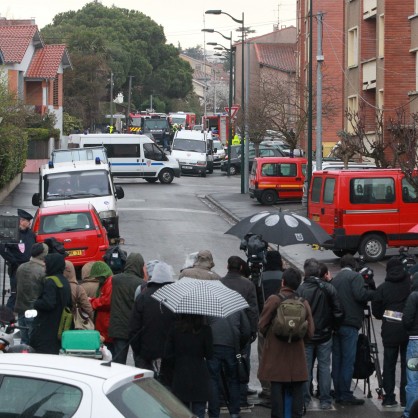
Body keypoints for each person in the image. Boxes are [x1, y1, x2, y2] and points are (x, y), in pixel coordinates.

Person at [258, 267, 315, 418]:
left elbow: (262, 326)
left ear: (283, 281)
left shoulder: (274, 300)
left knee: (276, 395)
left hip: (276, 358)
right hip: (296, 358)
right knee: (297, 394)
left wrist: (273, 336)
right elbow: (310, 332)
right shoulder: (303, 303)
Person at [297, 258, 344, 411]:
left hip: (306, 335)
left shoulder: (301, 289)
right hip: (325, 334)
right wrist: (333, 327)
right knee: (324, 367)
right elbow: (338, 311)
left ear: (306, 272)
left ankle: (305, 399)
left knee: (306, 367)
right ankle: (325, 399)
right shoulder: (328, 288)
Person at [331, 254, 375, 405]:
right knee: (348, 360)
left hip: (336, 325)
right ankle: (345, 394)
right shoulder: (355, 277)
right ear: (353, 264)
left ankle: (337, 392)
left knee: (337, 360)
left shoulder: (335, 279)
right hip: (350, 324)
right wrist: (372, 292)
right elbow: (360, 295)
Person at [129, 261, 177, 385]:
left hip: (146, 352)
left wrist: (138, 351)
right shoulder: (176, 298)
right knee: (166, 387)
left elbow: (134, 328)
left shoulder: (143, 297)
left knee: (147, 388)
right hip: (169, 353)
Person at [371, 256, 410, 408]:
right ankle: (405, 398)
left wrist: (387, 315)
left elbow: (376, 311)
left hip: (389, 330)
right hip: (407, 330)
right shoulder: (409, 284)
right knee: (407, 365)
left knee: (389, 364)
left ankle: (389, 397)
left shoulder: (383, 288)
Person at [221, 255, 259, 408]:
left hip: (224, 331)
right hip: (242, 332)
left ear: (227, 267)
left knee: (224, 365)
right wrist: (253, 330)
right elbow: (253, 309)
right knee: (242, 363)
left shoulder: (220, 283)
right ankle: (242, 397)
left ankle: (224, 397)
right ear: (241, 268)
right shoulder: (248, 284)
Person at [165, 314, 213, 418]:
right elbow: (210, 354)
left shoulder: (175, 329)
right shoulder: (205, 330)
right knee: (199, 412)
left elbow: (168, 355)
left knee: (182, 413)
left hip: (180, 376)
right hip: (200, 377)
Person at [206, 308, 251, 418]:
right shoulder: (236, 306)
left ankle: (214, 413)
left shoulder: (209, 307)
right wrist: (239, 345)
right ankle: (234, 412)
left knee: (213, 379)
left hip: (213, 345)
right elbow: (246, 331)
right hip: (231, 345)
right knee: (233, 380)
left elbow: (204, 328)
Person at [30, 253, 72, 354]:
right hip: (60, 325)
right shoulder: (64, 281)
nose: (44, 265)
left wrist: (36, 303)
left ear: (52, 265)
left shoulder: (50, 281)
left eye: (46, 263)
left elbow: (48, 303)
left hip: (47, 328)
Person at [108, 252, 146, 364]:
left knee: (119, 362)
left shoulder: (116, 279)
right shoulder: (141, 283)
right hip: (135, 327)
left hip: (118, 326)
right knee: (139, 360)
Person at [258, 250, 284, 401]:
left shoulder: (262, 277)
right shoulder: (284, 277)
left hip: (265, 321)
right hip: (282, 321)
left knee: (264, 355)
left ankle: (266, 387)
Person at [0, 209, 36, 310]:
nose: (29, 223)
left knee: (28, 292)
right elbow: (3, 248)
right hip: (16, 267)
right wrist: (13, 261)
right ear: (21, 221)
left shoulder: (31, 234)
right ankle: (7, 315)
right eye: (28, 221)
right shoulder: (11, 232)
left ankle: (24, 311)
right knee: (15, 292)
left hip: (28, 267)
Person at [14, 242, 49, 344]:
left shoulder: (21, 267)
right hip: (33, 310)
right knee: (33, 342)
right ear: (43, 254)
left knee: (24, 341)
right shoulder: (43, 271)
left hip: (20, 308)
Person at [401, 272, 418, 418]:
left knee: (413, 379)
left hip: (415, 342)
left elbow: (407, 318)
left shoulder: (414, 296)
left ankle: (410, 413)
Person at [89, 261, 114, 354]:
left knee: (107, 351)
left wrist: (92, 302)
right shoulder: (107, 282)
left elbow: (106, 301)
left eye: (97, 277)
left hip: (105, 324)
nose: (96, 279)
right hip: (104, 323)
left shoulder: (110, 282)